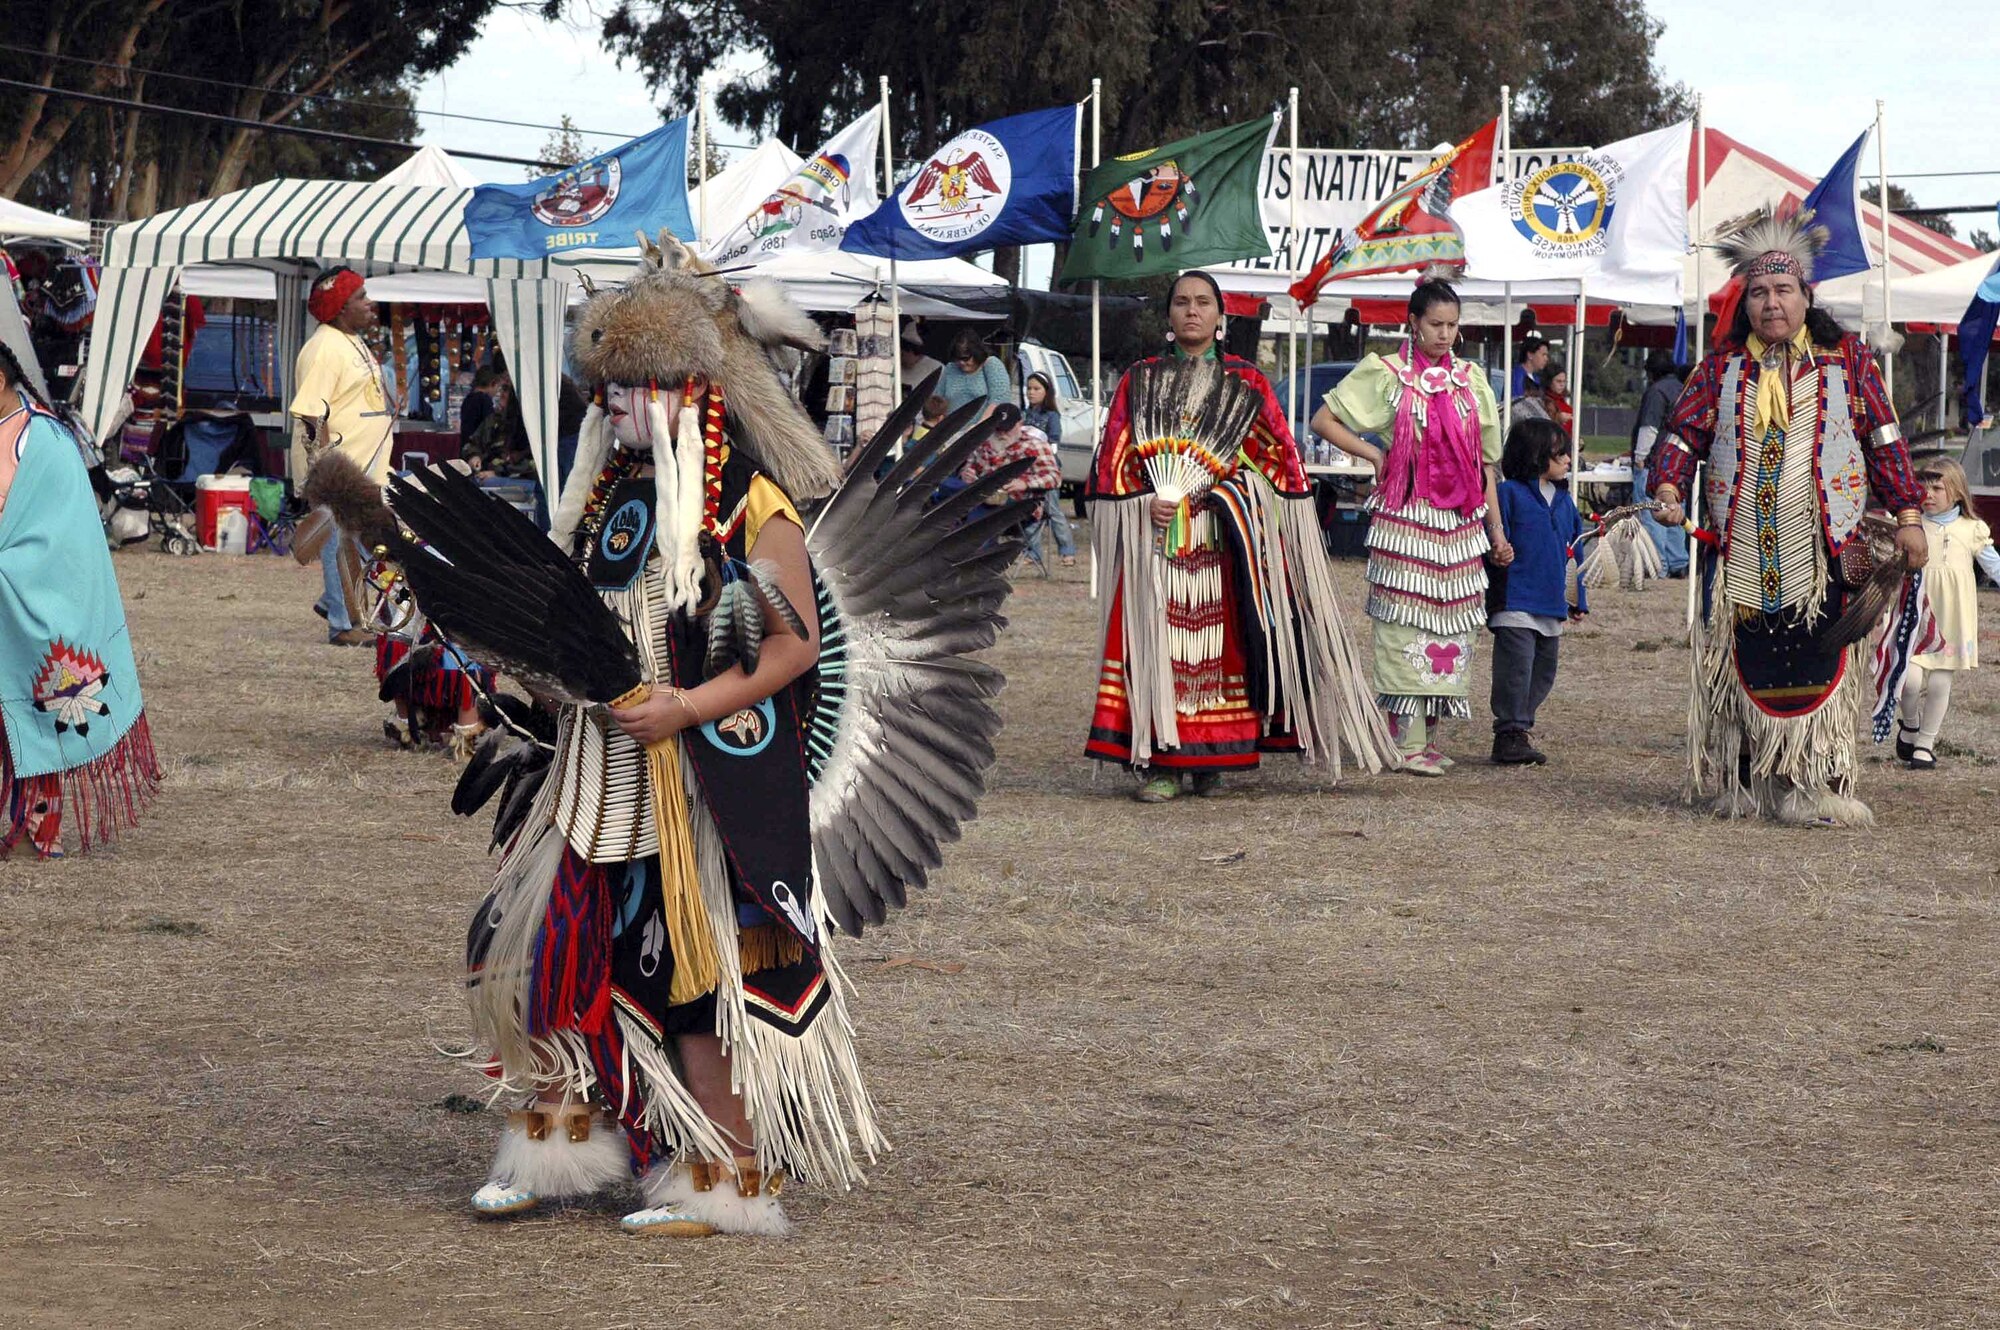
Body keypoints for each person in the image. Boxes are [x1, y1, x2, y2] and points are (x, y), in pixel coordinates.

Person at [429, 233, 1016, 1238]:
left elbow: (793, 650)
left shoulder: (752, 504)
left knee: (693, 979)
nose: (607, 409)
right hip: (593, 772)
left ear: (685, 391)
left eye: (625, 390)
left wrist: (685, 709)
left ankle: (726, 1175)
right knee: (541, 954)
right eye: (600, 392)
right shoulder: (611, 497)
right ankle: (556, 1141)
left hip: (695, 783)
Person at [1651, 208, 1927, 825]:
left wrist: (1908, 512)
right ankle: (1750, 780)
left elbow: (1884, 440)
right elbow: (1682, 436)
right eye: (1758, 292)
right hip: (1743, 547)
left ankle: (1813, 783)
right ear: (1744, 302)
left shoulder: (1846, 360)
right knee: (1749, 659)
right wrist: (1668, 485)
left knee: (1816, 655)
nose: (1771, 303)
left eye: (1782, 290)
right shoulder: (1721, 368)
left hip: (1823, 549)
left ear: (1807, 295)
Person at [1088, 269, 1392, 801]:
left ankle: (1211, 761)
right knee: (1159, 644)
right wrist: (1143, 501)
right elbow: (1113, 459)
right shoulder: (1139, 381)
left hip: (1222, 540)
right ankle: (1159, 761)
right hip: (1158, 542)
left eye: (1203, 302)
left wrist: (1228, 496)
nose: (1191, 311)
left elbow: (1281, 465)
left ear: (1220, 317)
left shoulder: (1247, 384)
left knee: (1219, 647)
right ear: (1168, 317)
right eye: (1181, 302)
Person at [1312, 277, 1509, 775]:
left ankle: (1426, 733)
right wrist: (1372, 451)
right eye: (1435, 324)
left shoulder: (1471, 381)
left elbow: (1487, 465)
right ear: (1413, 324)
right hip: (1406, 518)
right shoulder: (1388, 374)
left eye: (1452, 325)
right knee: (1405, 622)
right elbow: (1324, 420)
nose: (1445, 335)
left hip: (1460, 525)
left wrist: (1496, 531)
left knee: (1452, 624)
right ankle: (1405, 738)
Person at [0, 342, 159, 857]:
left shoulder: (44, 442)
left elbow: (65, 537)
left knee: (34, 716)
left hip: (29, 597)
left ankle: (35, 832)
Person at [291, 267, 392, 647]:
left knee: (369, 542)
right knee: (339, 545)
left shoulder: (350, 341)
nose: (372, 304)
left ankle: (333, 602)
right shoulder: (324, 348)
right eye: (362, 298)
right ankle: (343, 622)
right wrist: (325, 469)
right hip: (340, 473)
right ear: (339, 308)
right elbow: (311, 413)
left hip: (366, 469)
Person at [1487, 418, 1587, 766]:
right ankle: (1509, 730)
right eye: (1560, 454)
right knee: (1516, 667)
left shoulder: (1565, 502)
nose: (1568, 461)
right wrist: (1497, 552)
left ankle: (1521, 725)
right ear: (1536, 456)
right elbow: (1493, 538)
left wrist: (1577, 598)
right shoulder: (1508, 494)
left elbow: (1575, 552)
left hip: (1550, 602)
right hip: (1515, 599)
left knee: (1544, 669)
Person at [1896, 460, 2000, 770]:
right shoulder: (1912, 529)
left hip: (1953, 621)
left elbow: (1994, 566)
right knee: (1910, 681)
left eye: (1937, 488)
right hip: (1917, 618)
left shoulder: (1972, 530)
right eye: (1923, 487)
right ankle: (1910, 725)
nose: (1928, 494)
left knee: (1941, 683)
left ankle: (1925, 744)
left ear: (1956, 493)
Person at [1629, 351, 1688, 576]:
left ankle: (1658, 564)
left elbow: (1649, 427)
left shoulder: (1656, 391)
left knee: (1652, 511)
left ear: (1651, 372)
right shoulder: (1683, 389)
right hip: (1678, 460)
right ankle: (1678, 562)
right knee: (1675, 510)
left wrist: (1640, 457)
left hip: (1655, 461)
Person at [1021, 371, 1076, 568]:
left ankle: (1067, 550)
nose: (1031, 393)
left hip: (1046, 468)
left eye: (1036, 389)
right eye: (1029, 388)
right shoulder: (1024, 415)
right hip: (1027, 469)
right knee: (1029, 509)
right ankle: (1032, 551)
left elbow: (1054, 441)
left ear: (1046, 392)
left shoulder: (1051, 416)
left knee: (1052, 510)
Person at [938, 329, 1010, 418]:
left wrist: (979, 426)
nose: (961, 363)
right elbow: (937, 398)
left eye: (965, 358)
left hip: (981, 429)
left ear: (976, 353)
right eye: (957, 358)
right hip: (950, 428)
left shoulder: (991, 364)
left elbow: (1000, 400)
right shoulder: (951, 368)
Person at [900, 321, 943, 389]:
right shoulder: (895, 365)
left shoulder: (936, 368)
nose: (900, 359)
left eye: (902, 355)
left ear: (912, 351)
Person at [1512, 334, 1550, 399]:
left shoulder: (1536, 378)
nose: (1546, 359)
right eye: (1543, 355)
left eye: (1547, 355)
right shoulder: (1517, 377)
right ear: (1530, 355)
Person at [1544, 367, 1575, 437]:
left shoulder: (1565, 404)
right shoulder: (1542, 401)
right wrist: (1558, 419)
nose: (1562, 385)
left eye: (1564, 381)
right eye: (1558, 381)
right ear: (1549, 382)